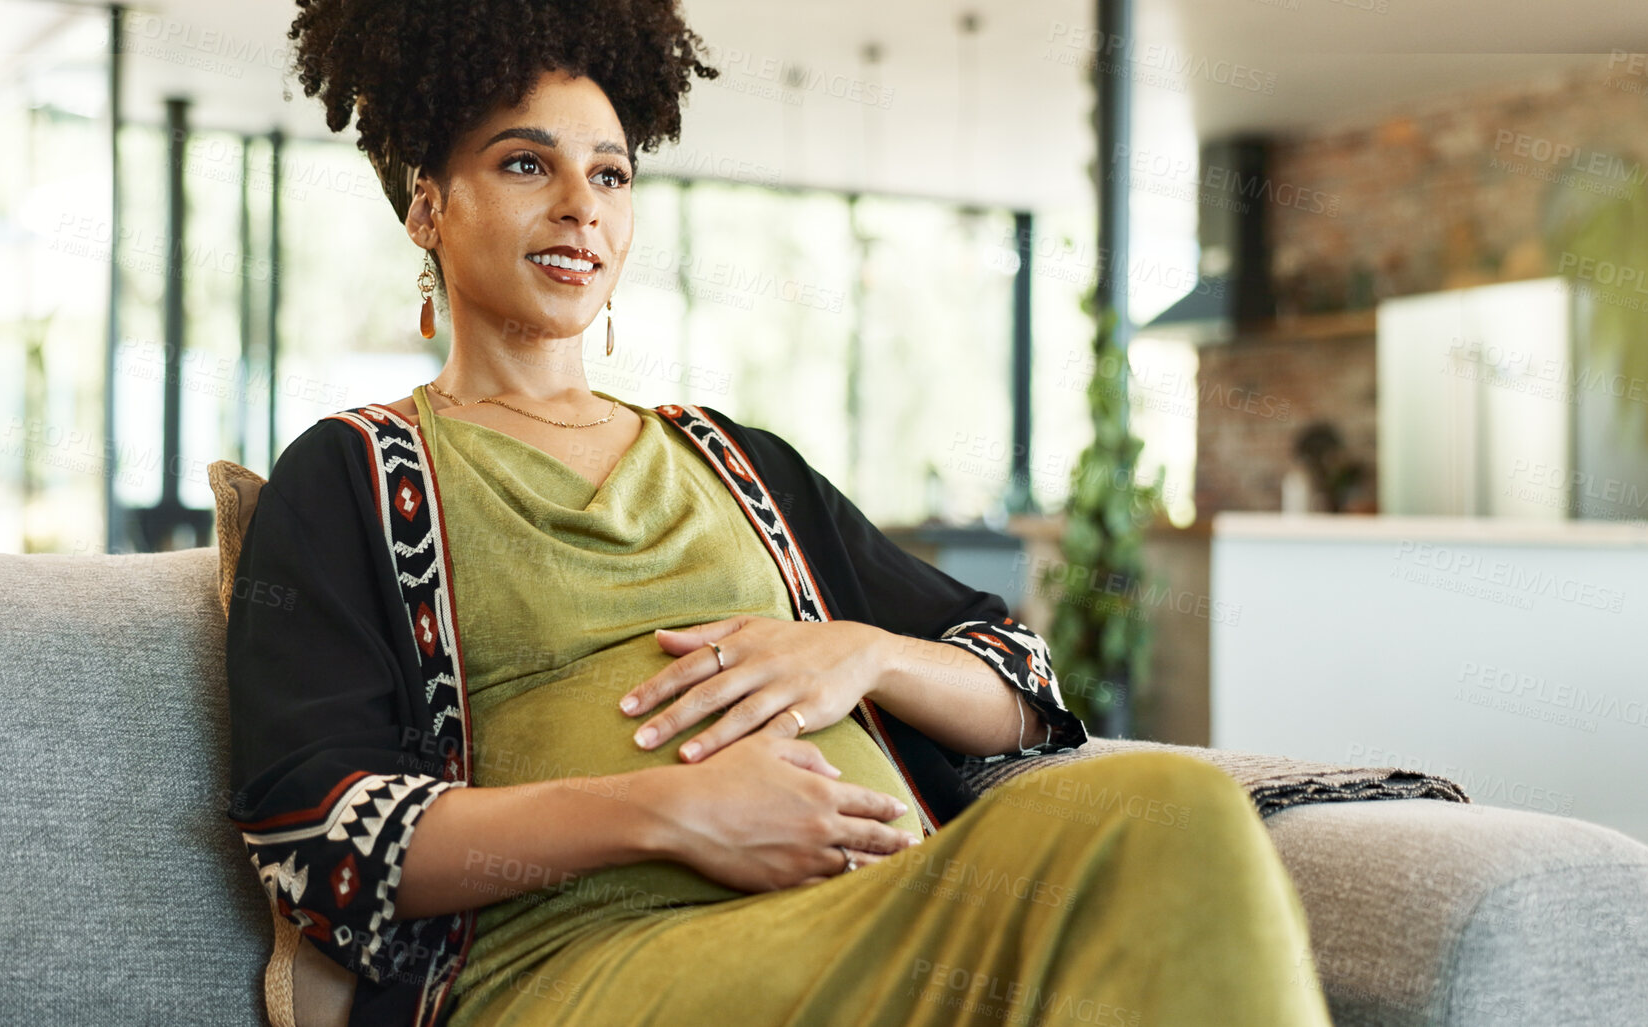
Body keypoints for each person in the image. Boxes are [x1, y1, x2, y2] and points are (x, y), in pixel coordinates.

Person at [225, 2, 1335, 1025]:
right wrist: (671, 810)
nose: (581, 207)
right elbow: (319, 835)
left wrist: (857, 654)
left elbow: (1021, 683)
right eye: (527, 163)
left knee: (1174, 810)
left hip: (875, 903)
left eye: (612, 176)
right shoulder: (357, 472)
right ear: (429, 202)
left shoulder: (733, 460)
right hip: (581, 962)